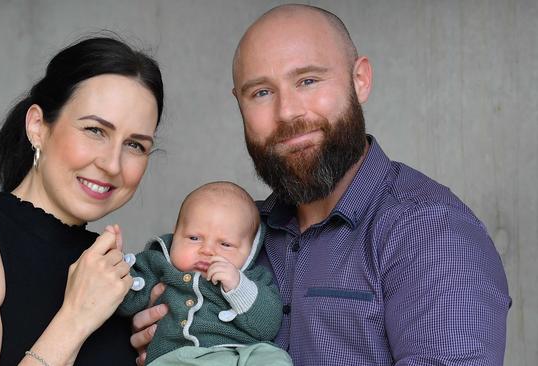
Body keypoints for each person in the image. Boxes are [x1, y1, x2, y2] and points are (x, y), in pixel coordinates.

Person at [131, 4, 511, 366]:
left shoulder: (432, 235)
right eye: (261, 92)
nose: (287, 112)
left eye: (308, 80)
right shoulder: (235, 231)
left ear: (359, 80)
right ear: (239, 104)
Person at [0, 36, 163, 365]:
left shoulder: (112, 276)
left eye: (135, 145)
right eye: (95, 130)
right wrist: (75, 319)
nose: (112, 164)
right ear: (38, 126)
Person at [116, 181, 291, 365]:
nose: (207, 250)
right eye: (194, 238)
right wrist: (118, 269)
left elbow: (268, 327)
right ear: (175, 236)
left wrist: (239, 287)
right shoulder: (157, 264)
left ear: (250, 251)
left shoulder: (253, 279)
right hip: (173, 358)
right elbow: (125, 303)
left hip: (233, 356)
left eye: (225, 244)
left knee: (273, 357)